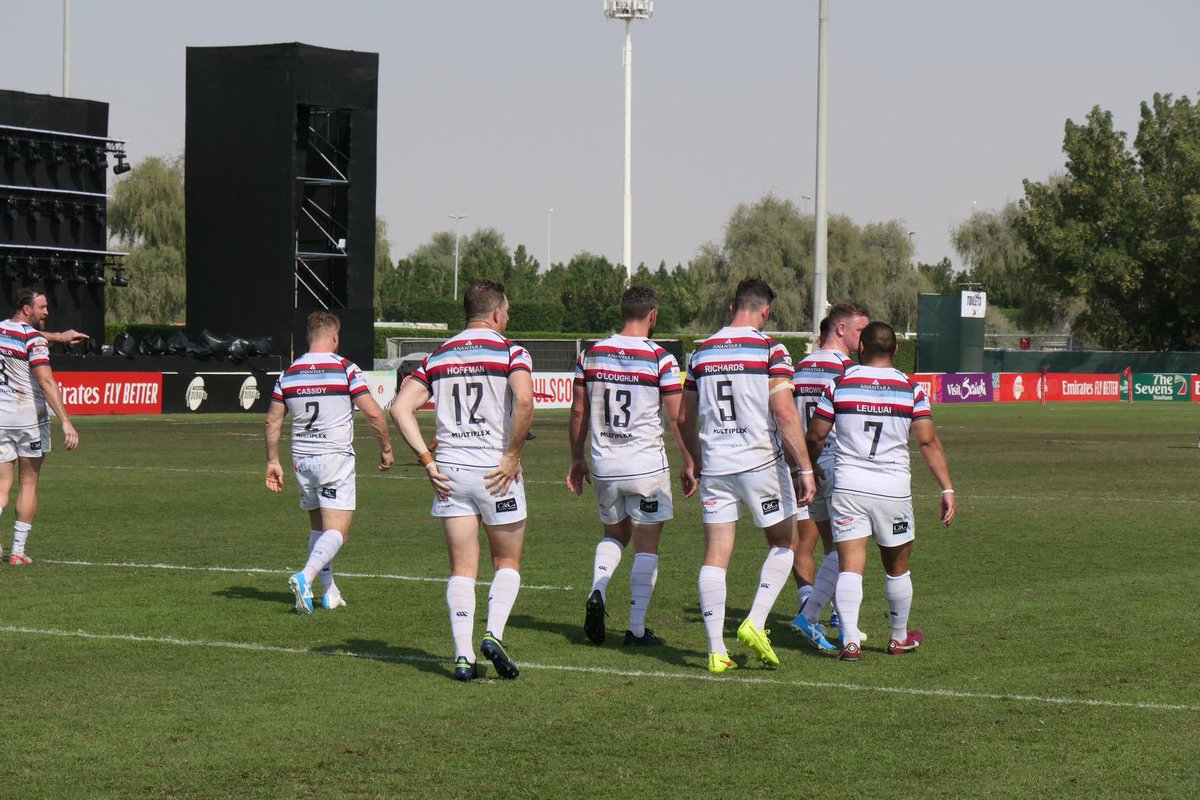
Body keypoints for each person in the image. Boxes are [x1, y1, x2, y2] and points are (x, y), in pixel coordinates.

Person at [391, 281, 534, 682]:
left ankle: (462, 656)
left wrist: (425, 458)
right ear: (496, 312)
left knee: (461, 569)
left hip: (450, 473)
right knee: (506, 562)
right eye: (506, 310)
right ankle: (494, 634)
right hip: (495, 474)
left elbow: (400, 408)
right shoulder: (510, 351)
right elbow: (524, 401)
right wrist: (512, 456)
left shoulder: (439, 355)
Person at [680, 278, 816, 674]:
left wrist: (695, 459)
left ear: (732, 307)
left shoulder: (701, 352)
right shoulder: (771, 349)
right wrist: (804, 467)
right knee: (784, 542)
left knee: (716, 556)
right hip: (759, 462)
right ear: (765, 311)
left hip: (717, 466)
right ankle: (755, 621)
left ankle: (715, 650)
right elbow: (785, 413)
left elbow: (685, 417)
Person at [806, 321, 956, 662]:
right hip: (892, 489)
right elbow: (928, 441)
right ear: (896, 351)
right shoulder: (910, 388)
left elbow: (815, 435)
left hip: (848, 487)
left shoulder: (840, 384)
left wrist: (808, 469)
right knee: (897, 568)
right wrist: (946, 487)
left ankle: (850, 641)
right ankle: (899, 637)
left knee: (850, 566)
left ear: (861, 347)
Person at [567, 286, 696, 647]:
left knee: (614, 536)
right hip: (645, 468)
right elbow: (677, 418)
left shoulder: (590, 354)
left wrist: (577, 458)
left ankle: (598, 589)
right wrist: (689, 460)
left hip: (605, 465)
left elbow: (579, 411)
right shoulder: (661, 359)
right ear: (652, 314)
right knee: (646, 545)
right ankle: (636, 629)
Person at [264, 311, 394, 613]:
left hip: (302, 460)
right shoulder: (345, 369)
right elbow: (373, 413)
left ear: (310, 337)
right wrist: (386, 448)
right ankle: (305, 577)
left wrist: (272, 460)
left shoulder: (289, 374)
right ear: (335, 337)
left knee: (319, 529)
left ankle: (328, 591)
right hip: (334, 458)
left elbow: (272, 421)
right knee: (339, 532)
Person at [789, 303, 870, 651]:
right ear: (840, 329)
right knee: (846, 547)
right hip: (839, 465)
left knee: (824, 544)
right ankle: (824, 616)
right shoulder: (848, 371)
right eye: (859, 332)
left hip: (808, 465)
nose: (863, 339)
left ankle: (824, 610)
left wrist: (801, 464)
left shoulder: (798, 367)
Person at [0, 288, 81, 564]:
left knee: (1, 486)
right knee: (28, 483)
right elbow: (46, 382)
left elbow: (27, 335)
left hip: (0, 419)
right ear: (26, 309)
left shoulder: (2, 330)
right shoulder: (33, 339)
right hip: (29, 420)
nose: (47, 312)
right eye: (42, 307)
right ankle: (18, 551)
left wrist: (59, 337)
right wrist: (67, 422)